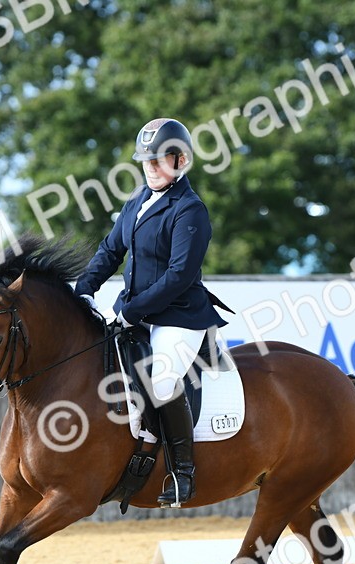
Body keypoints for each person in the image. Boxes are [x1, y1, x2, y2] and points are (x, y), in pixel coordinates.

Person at [75, 117, 228, 507]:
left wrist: (129, 310)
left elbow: (179, 276)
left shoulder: (191, 210)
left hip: (179, 317)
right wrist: (85, 287)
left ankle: (182, 474)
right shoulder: (137, 202)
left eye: (161, 161)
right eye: (146, 162)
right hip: (137, 315)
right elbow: (111, 250)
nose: (152, 169)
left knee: (160, 381)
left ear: (181, 161)